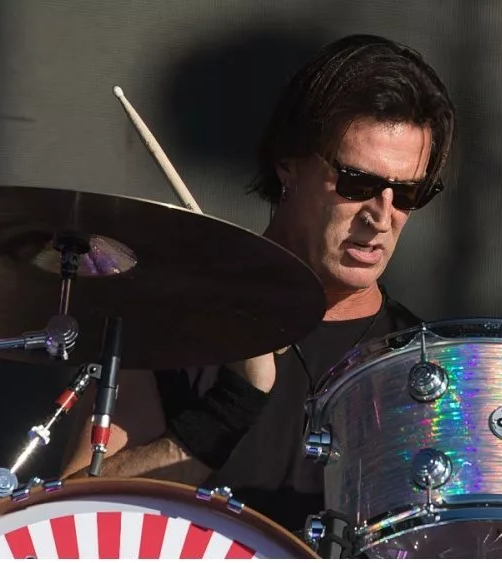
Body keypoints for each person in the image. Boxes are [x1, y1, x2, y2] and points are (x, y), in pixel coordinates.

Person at [60, 33, 457, 535]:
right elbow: (71, 523)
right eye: (357, 184)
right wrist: (231, 407)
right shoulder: (167, 321)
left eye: (407, 193)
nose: (382, 216)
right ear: (288, 163)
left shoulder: (430, 370)